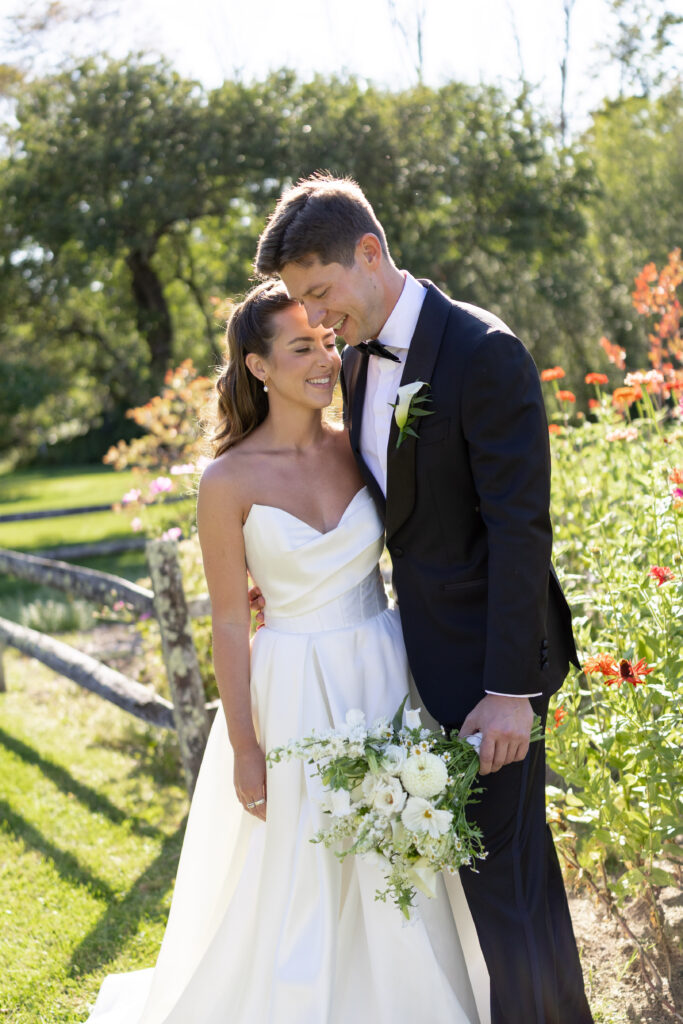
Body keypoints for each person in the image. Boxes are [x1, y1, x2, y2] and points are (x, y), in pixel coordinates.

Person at [83, 280, 490, 1024]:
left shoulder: (366, 439)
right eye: (301, 347)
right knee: (305, 871)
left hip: (383, 667)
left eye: (328, 342)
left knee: (397, 846)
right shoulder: (226, 480)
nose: (325, 359)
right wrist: (243, 745)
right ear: (258, 366)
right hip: (293, 687)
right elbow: (232, 624)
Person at [252, 174, 594, 1024]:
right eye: (301, 303)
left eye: (322, 293)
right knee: (511, 888)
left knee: (501, 897)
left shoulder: (481, 351)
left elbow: (521, 531)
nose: (317, 320)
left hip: (493, 678)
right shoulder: (359, 361)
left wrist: (509, 692)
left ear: (370, 254)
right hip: (419, 667)